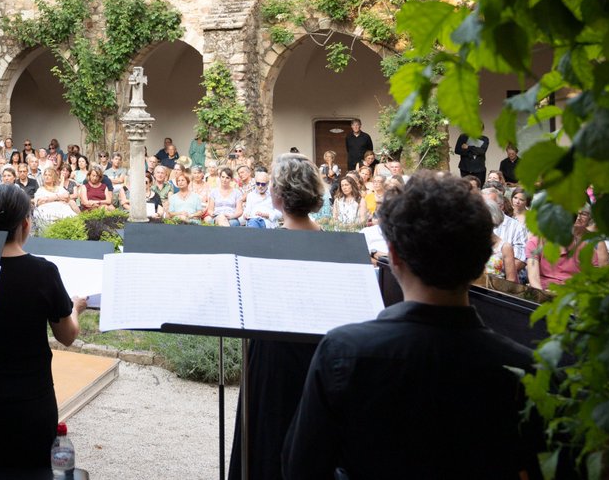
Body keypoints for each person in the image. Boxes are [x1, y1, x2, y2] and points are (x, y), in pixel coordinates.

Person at [282, 172, 544, 479]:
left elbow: (301, 467)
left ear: (393, 257)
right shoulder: (524, 369)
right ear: (483, 259)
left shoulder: (344, 352)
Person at [0, 185, 85, 470]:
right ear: (25, 223)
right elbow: (67, 335)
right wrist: (76, 309)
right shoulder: (43, 273)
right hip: (30, 403)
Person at [229, 153, 325, 480]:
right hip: (315, 354)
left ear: (277, 195)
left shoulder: (267, 246)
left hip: (272, 356)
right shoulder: (330, 243)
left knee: (266, 437)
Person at [33, 165, 76, 232]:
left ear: (53, 177)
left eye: (49, 175)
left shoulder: (59, 188)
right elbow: (39, 202)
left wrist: (48, 198)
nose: (47, 177)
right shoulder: (40, 189)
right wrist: (58, 197)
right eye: (45, 175)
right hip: (47, 210)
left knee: (70, 214)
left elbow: (67, 197)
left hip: (61, 209)